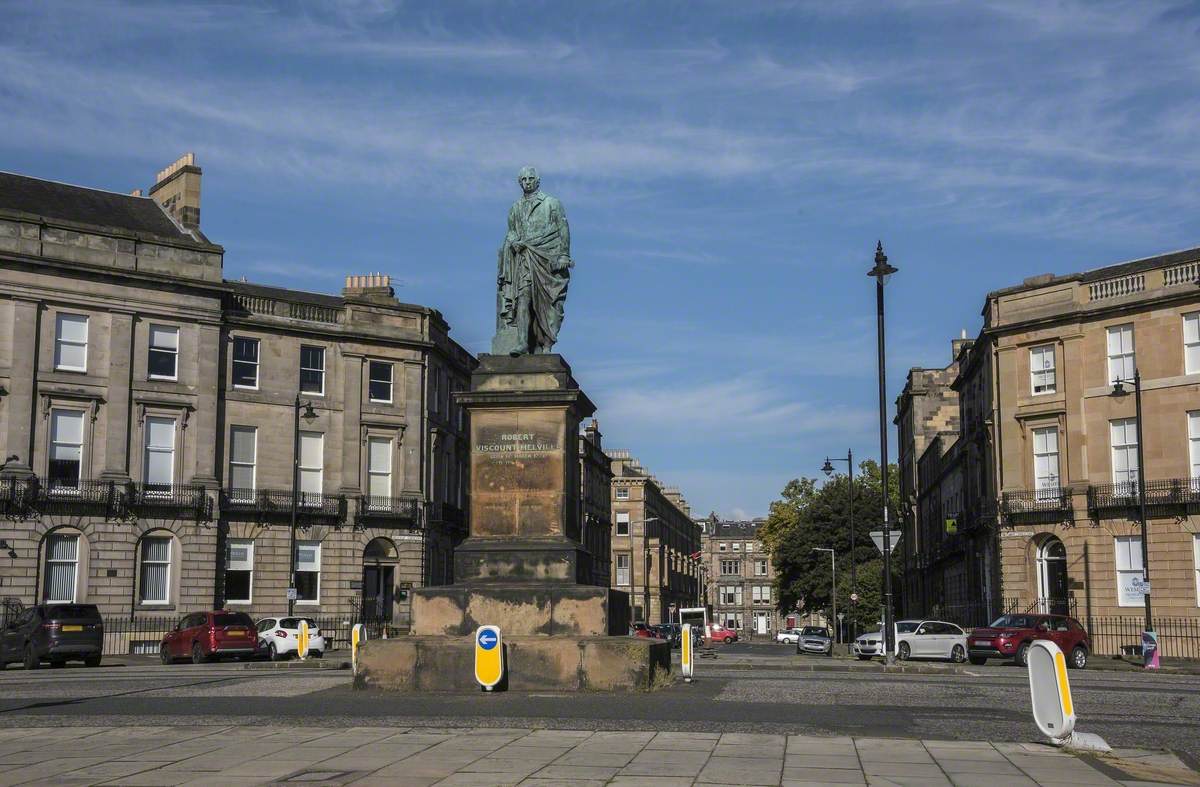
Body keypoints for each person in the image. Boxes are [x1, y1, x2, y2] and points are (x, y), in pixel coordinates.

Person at [493, 166, 573, 355]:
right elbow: (511, 232)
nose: (527, 182)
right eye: (524, 179)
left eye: (531, 178)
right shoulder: (515, 208)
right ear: (520, 183)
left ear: (537, 181)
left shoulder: (552, 203)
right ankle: (521, 342)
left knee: (548, 305)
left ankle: (546, 343)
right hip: (525, 260)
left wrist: (563, 256)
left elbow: (563, 228)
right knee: (523, 299)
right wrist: (514, 243)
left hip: (547, 260)